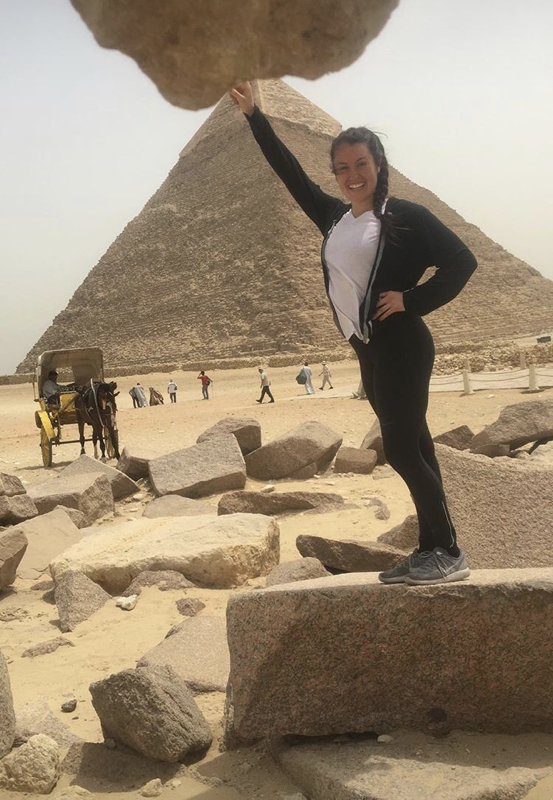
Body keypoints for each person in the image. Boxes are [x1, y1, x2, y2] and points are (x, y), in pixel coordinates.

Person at [230, 82, 477, 586]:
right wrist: (256, 116)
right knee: (417, 446)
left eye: (361, 163)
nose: (352, 175)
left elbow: (462, 261)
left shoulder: (405, 216)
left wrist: (411, 299)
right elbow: (289, 172)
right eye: (342, 168)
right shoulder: (334, 217)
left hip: (403, 345)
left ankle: (449, 551)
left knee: (402, 450)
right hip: (369, 349)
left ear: (379, 164)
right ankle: (430, 546)